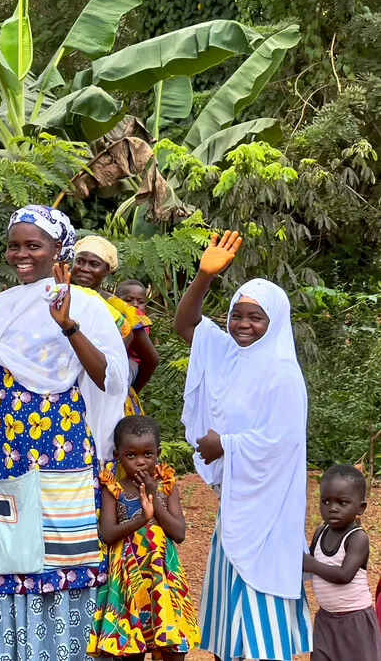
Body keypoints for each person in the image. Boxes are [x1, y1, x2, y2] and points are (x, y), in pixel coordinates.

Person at [0, 204, 129, 661]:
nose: (21, 254)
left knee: (66, 555)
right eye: (14, 245)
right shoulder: (1, 306)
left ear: (56, 250)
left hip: (65, 453)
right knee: (9, 552)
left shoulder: (85, 304)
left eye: (33, 245)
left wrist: (67, 326)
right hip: (6, 452)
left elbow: (110, 378)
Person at [175, 231, 313, 660]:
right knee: (227, 621)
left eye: (255, 318)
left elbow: (282, 442)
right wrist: (203, 276)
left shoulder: (282, 373)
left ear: (275, 322)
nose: (243, 325)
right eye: (237, 315)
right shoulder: (229, 354)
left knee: (260, 624)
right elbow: (186, 325)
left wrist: (227, 445)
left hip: (267, 511)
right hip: (234, 505)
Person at [88, 416, 199, 660]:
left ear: (158, 453)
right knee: (130, 649)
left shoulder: (167, 486)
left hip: (162, 576)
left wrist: (152, 498)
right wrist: (140, 519)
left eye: (148, 454)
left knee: (172, 647)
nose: (140, 462)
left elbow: (178, 533)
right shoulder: (113, 489)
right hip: (128, 580)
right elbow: (107, 533)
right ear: (117, 455)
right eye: (131, 456)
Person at [71, 236, 160, 415]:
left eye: (94, 264)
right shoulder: (58, 293)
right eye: (80, 261)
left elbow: (150, 359)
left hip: (106, 392)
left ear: (107, 271)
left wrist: (128, 389)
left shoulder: (120, 308)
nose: (85, 268)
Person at [304, 465, 381, 661]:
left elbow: (344, 575)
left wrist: (311, 564)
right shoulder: (320, 533)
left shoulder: (357, 538)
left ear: (360, 508)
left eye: (342, 502)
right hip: (326, 619)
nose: (332, 508)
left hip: (355, 621)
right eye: (326, 501)